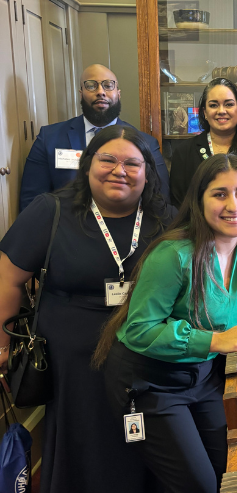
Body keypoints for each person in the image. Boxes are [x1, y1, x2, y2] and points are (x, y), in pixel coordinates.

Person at [0, 125, 173, 493]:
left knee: (141, 446)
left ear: (148, 172)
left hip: (145, 359)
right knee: (86, 449)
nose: (119, 170)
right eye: (107, 159)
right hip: (71, 366)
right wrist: (2, 345)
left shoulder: (167, 221)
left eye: (132, 163)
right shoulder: (52, 210)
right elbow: (7, 280)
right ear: (88, 164)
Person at [93, 154, 237, 493]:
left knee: (230, 476)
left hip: (203, 378)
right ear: (198, 200)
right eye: (220, 194)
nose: (234, 205)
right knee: (199, 486)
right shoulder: (174, 254)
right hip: (148, 382)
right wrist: (214, 341)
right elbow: (139, 330)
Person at [19, 64, 170, 210]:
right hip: (66, 228)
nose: (100, 92)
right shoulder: (49, 139)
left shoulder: (147, 143)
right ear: (81, 93)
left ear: (118, 93)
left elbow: (160, 199)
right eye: (91, 85)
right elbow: (32, 201)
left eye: (108, 85)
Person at [170, 78, 237, 207]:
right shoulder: (184, 152)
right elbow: (177, 204)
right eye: (213, 105)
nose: (221, 111)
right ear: (204, 112)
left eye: (229, 104)